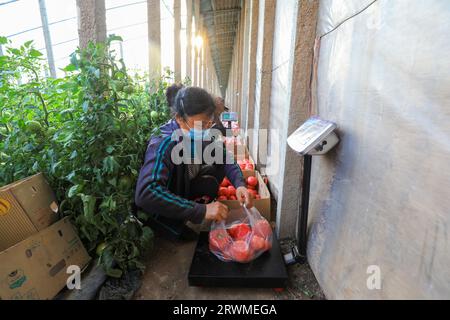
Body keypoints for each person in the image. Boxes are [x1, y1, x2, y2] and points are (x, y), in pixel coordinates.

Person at [135, 86, 253, 240]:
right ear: (179, 118)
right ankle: (174, 222)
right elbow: (146, 193)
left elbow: (226, 158)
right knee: (188, 235)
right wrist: (201, 211)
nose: (204, 129)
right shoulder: (163, 143)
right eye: (200, 124)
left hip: (183, 185)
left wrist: (240, 184)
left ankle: (188, 211)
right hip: (160, 208)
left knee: (211, 180)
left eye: (207, 124)